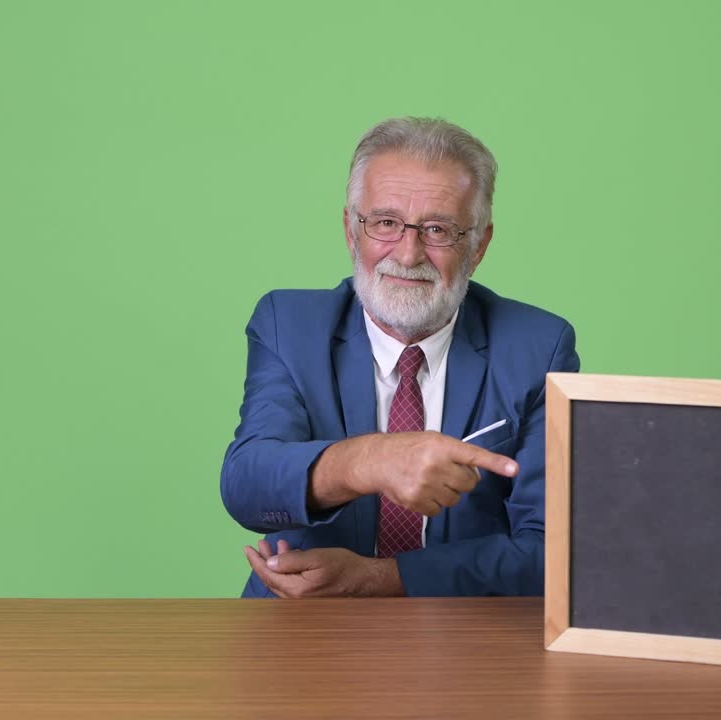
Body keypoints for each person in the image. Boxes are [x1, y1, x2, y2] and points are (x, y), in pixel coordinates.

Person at [220, 117, 579, 597]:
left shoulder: (539, 346)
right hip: (304, 618)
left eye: (438, 229)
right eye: (386, 223)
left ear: (478, 245)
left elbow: (549, 552)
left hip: (462, 629)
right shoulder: (289, 325)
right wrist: (372, 461)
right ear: (352, 231)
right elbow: (247, 484)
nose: (408, 255)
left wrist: (380, 579)